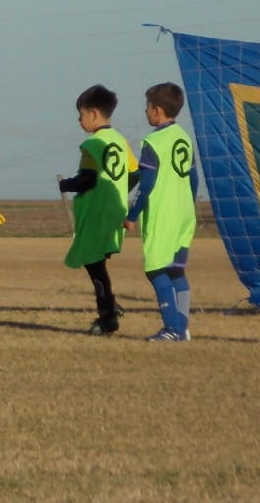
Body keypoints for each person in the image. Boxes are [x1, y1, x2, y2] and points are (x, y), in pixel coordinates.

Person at [57, 84, 135, 335]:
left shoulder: (93, 145)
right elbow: (135, 173)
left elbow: (88, 179)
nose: (79, 121)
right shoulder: (119, 140)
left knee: (95, 266)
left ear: (93, 114)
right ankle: (111, 306)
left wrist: (65, 184)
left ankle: (108, 318)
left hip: (95, 213)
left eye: (80, 115)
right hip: (114, 212)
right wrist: (118, 195)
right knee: (97, 264)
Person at [125, 82, 199, 342]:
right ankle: (183, 327)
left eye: (147, 108)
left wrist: (132, 215)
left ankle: (172, 328)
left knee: (156, 270)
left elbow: (147, 185)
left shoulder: (154, 141)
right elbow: (193, 179)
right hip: (184, 214)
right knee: (176, 270)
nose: (145, 113)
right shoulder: (184, 138)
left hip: (163, 215)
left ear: (157, 110)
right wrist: (187, 204)